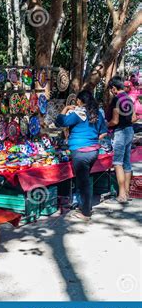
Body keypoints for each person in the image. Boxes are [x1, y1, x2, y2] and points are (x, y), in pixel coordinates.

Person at [56, 90, 108, 221]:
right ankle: (83, 206)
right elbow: (103, 132)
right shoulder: (98, 113)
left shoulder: (78, 114)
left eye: (77, 101)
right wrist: (92, 138)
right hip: (93, 152)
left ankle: (85, 213)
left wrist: (66, 108)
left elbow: (60, 121)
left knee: (83, 182)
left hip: (80, 152)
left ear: (80, 101)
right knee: (84, 180)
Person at [107, 76, 137, 203]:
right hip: (130, 130)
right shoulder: (129, 99)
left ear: (114, 88)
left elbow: (115, 120)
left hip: (120, 132)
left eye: (111, 89)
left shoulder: (116, 99)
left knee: (118, 163)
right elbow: (134, 118)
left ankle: (122, 194)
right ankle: (127, 192)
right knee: (127, 162)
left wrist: (105, 124)